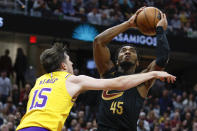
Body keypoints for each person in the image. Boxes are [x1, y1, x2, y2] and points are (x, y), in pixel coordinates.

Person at [16, 42, 175, 131]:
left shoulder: (38, 81)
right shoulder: (72, 80)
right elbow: (119, 83)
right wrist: (153, 74)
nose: (72, 64)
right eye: (70, 62)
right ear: (64, 66)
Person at [93, 7, 170, 131]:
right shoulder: (107, 72)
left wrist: (160, 30)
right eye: (123, 50)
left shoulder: (142, 81)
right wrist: (128, 24)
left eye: (132, 51)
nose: (127, 52)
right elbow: (98, 42)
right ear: (117, 60)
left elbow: (162, 59)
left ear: (138, 62)